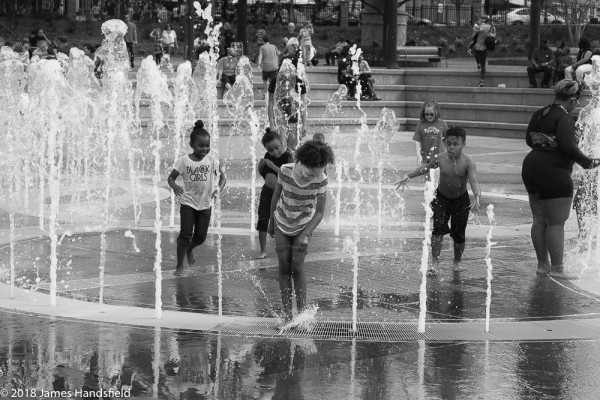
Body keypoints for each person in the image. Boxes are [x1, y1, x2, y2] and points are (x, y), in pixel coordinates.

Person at [521, 80, 600, 278]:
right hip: (554, 173)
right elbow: (568, 147)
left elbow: (529, 140)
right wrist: (587, 162)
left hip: (531, 167)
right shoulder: (564, 117)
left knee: (539, 220)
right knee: (556, 223)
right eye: (577, 102)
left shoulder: (540, 113)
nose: (578, 106)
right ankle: (557, 269)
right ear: (572, 99)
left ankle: (542, 266)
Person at [396, 126, 481, 274]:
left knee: (459, 234)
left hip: (461, 200)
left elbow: (473, 180)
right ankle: (435, 262)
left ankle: (456, 262)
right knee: (437, 230)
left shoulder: (468, 162)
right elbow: (425, 168)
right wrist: (409, 175)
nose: (452, 148)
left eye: (456, 144)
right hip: (442, 198)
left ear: (463, 144)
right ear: (444, 142)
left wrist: (477, 195)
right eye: (449, 144)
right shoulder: (440, 158)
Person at [268, 140, 336, 322]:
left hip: (304, 225)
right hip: (281, 221)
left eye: (317, 175)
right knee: (283, 266)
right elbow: (276, 195)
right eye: (309, 173)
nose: (312, 178)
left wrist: (305, 234)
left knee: (297, 266)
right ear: (301, 163)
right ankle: (288, 315)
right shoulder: (285, 170)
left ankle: (302, 314)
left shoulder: (320, 180)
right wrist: (270, 221)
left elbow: (320, 212)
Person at [168, 120, 227, 277]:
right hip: (188, 203)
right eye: (201, 146)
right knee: (185, 234)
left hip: (205, 204)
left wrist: (218, 190)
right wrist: (174, 187)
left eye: (207, 146)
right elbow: (171, 178)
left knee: (200, 237)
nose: (205, 149)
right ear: (192, 145)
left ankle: (190, 249)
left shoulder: (211, 160)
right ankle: (179, 264)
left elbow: (223, 179)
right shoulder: (183, 161)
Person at [256, 128, 294, 259]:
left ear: (282, 143)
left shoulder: (287, 156)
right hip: (267, 191)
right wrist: (260, 168)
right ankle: (263, 250)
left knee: (282, 220)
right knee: (262, 219)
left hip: (281, 193)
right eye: (270, 150)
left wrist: (271, 165)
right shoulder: (268, 156)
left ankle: (284, 248)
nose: (274, 152)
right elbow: (266, 174)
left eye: (276, 148)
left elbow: (288, 175)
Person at [413, 100, 448, 165]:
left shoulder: (442, 124)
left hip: (440, 159)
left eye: (431, 114)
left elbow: (447, 140)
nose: (429, 116)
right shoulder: (421, 124)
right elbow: (417, 140)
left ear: (436, 112)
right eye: (426, 114)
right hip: (425, 159)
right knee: (425, 174)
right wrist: (418, 155)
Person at [257, 35, 280, 100]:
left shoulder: (262, 47)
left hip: (266, 67)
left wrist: (259, 64)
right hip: (274, 66)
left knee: (265, 81)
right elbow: (277, 55)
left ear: (263, 40)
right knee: (272, 81)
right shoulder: (274, 46)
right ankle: (273, 94)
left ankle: (265, 94)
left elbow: (260, 56)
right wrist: (277, 64)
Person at [473, 17, 494, 87]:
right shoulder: (492, 27)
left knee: (476, 55)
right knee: (483, 65)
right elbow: (493, 36)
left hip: (477, 46)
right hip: (485, 47)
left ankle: (477, 63)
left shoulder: (480, 27)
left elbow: (473, 35)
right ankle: (482, 80)